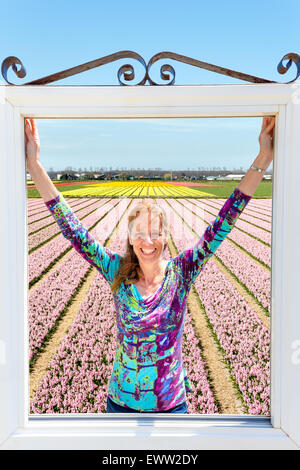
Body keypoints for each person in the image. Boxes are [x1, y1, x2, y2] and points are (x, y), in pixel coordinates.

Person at [25, 116, 275, 414]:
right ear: (130, 238)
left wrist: (263, 157)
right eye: (140, 233)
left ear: (165, 236)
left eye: (155, 232)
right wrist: (35, 165)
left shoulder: (181, 272)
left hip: (171, 407)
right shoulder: (116, 270)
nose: (148, 241)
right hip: (120, 404)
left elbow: (226, 218)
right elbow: (72, 229)